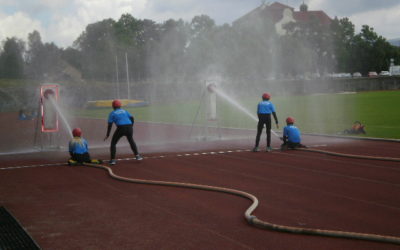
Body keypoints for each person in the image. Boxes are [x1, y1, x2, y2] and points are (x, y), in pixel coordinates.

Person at [104, 99, 143, 165]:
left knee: (113, 143)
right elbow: (132, 117)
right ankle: (137, 156)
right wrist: (131, 125)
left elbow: (110, 125)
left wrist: (108, 135)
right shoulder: (125, 111)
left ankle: (113, 160)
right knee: (131, 140)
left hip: (121, 128)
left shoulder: (112, 113)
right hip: (129, 127)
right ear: (120, 106)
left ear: (113, 106)